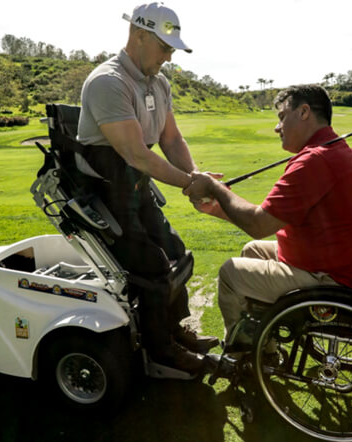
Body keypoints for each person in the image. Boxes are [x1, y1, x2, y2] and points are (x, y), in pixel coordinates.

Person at [75, 2, 218, 374]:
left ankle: (173, 329)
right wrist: (189, 183)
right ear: (139, 36)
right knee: (152, 265)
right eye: (165, 47)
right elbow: (137, 155)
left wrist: (196, 175)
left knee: (175, 251)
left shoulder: (158, 82)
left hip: (136, 186)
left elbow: (171, 139)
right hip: (105, 190)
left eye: (172, 48)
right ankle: (161, 351)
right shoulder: (109, 82)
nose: (169, 56)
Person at [184, 84, 352, 341]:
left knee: (230, 273)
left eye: (282, 117)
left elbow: (258, 223)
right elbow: (268, 221)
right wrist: (217, 209)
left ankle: (244, 353)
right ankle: (266, 343)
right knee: (252, 250)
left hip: (329, 278)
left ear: (304, 112)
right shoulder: (330, 150)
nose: (277, 127)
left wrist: (214, 187)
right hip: (328, 261)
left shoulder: (315, 160)